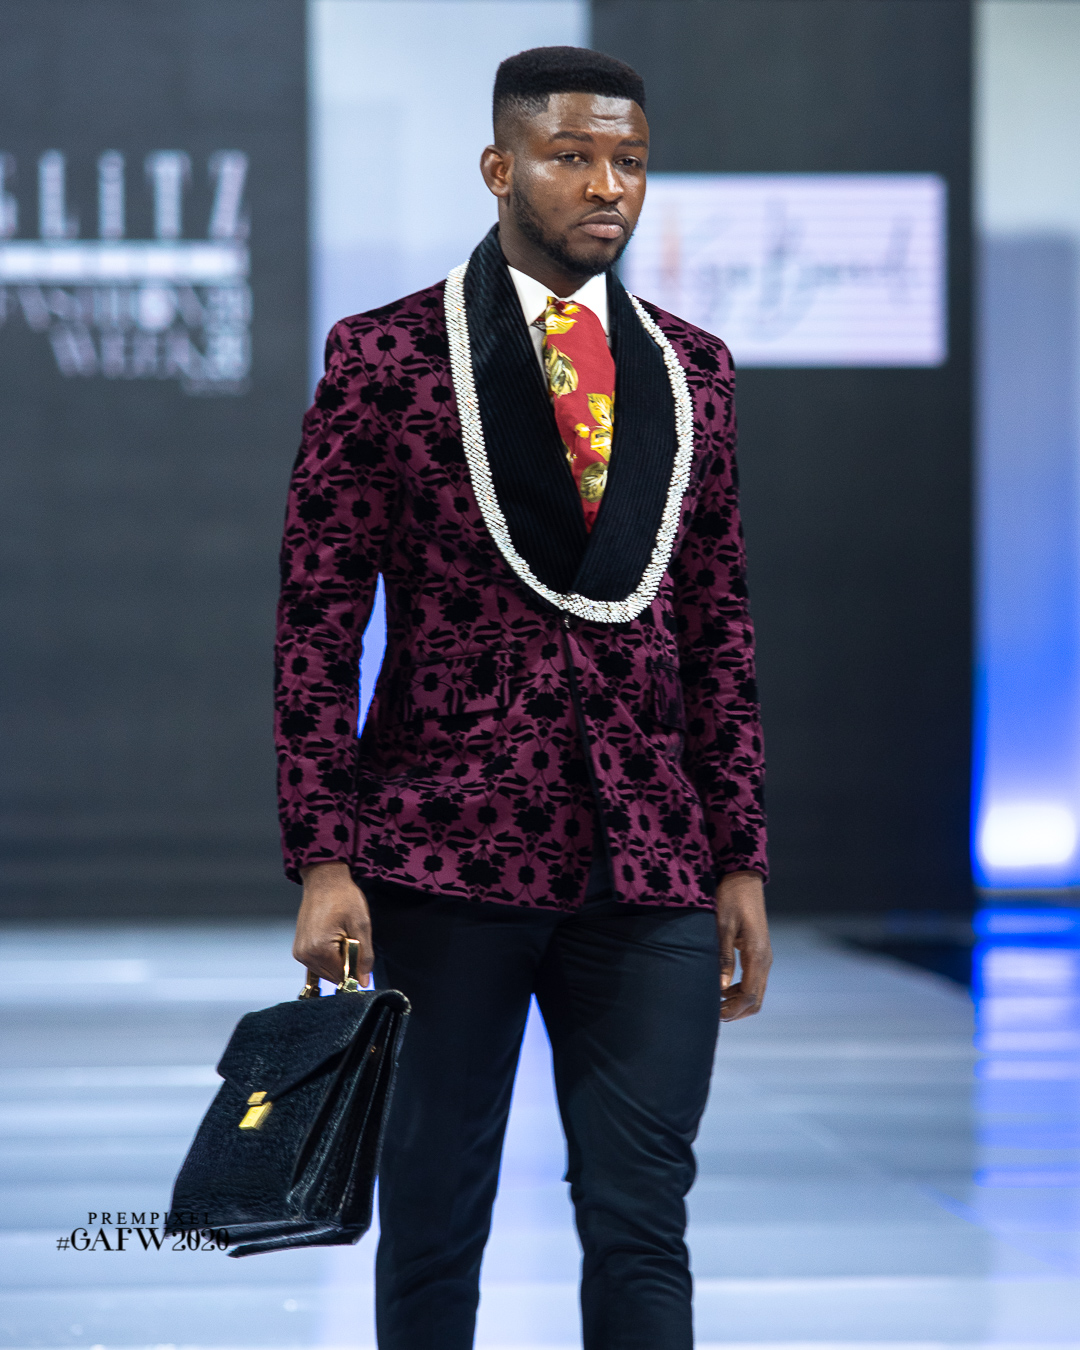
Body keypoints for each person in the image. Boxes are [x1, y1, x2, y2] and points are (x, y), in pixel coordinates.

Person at [276, 44, 772, 1350]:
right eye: (572, 157)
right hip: (442, 855)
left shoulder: (695, 370)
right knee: (434, 1216)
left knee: (644, 1219)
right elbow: (319, 619)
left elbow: (717, 624)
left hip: (651, 862)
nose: (608, 186)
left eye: (631, 162)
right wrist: (323, 856)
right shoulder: (386, 356)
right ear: (500, 168)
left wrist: (739, 857)